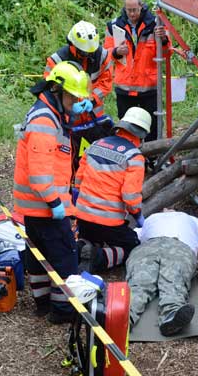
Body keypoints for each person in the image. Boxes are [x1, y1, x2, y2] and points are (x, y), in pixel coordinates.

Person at [13, 61, 92, 324]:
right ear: (58, 91)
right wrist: (55, 201)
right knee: (65, 258)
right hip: (46, 207)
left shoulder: (49, 114)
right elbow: (39, 171)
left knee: (38, 258)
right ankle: (62, 311)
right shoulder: (45, 120)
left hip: (35, 207)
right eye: (73, 97)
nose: (75, 103)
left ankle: (42, 304)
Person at [74, 106, 152, 272]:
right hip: (109, 222)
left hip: (83, 218)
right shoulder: (134, 157)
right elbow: (130, 197)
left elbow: (78, 181)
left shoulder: (95, 145)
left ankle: (80, 247)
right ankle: (98, 258)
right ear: (142, 136)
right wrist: (138, 217)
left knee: (92, 239)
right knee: (132, 246)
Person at [126, 209, 198, 336]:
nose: (167, 208)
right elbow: (129, 239)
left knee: (173, 279)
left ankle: (172, 316)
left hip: (179, 246)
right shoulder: (150, 219)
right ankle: (124, 317)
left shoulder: (191, 219)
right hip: (147, 247)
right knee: (139, 281)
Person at [44, 21, 114, 172]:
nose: (88, 55)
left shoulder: (102, 56)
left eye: (90, 52)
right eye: (84, 53)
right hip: (68, 116)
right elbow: (49, 89)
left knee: (94, 154)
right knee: (66, 152)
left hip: (93, 115)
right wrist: (68, 106)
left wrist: (92, 99)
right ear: (73, 45)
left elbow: (106, 82)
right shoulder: (57, 60)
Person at [104, 0, 171, 141]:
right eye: (129, 10)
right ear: (124, 7)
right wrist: (116, 51)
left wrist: (164, 40)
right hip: (124, 88)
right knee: (126, 129)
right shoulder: (114, 26)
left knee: (152, 129)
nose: (132, 13)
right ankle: (130, 157)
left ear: (141, 6)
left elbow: (167, 54)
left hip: (149, 87)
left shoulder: (156, 25)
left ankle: (152, 158)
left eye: (134, 9)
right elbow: (106, 54)